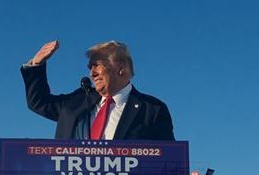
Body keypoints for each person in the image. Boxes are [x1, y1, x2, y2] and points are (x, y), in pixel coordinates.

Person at [21, 40, 175, 140]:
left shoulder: (152, 109)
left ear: (120, 68)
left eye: (97, 65)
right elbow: (39, 102)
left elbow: (167, 160)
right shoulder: (79, 101)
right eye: (90, 67)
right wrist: (35, 65)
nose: (91, 73)